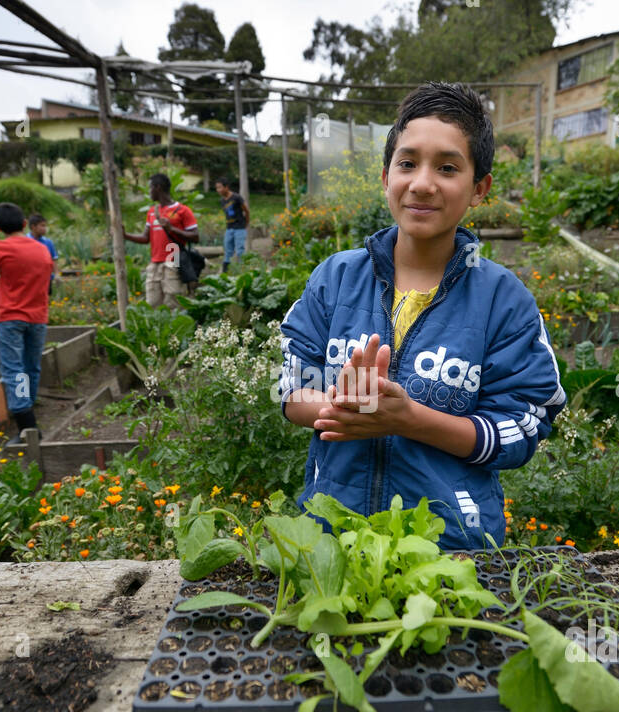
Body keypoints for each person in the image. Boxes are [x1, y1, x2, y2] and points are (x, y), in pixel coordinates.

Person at [277, 81, 566, 551]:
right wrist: (346, 408)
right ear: (385, 176)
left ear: (479, 188)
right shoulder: (335, 278)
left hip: (449, 551)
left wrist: (408, 419)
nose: (423, 183)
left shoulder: (504, 300)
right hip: (333, 541)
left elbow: (525, 425)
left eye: (448, 167)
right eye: (407, 163)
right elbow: (291, 389)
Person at [0, 202, 54, 446]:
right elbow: (47, 278)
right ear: (25, 224)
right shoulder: (42, 249)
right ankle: (28, 414)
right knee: (31, 367)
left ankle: (27, 426)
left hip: (10, 317)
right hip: (38, 317)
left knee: (15, 370)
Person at [123, 173, 198, 309]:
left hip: (173, 259)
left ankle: (176, 329)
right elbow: (145, 238)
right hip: (155, 264)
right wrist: (125, 235)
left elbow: (195, 236)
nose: (149, 191)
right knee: (152, 303)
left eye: (150, 187)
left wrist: (172, 229)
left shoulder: (182, 210)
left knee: (173, 303)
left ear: (158, 188)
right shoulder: (152, 212)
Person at [215, 176, 249, 273]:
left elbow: (246, 211)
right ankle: (225, 273)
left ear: (226, 187)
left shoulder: (236, 197)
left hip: (239, 228)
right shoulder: (222, 200)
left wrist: (245, 224)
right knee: (228, 250)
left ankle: (242, 272)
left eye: (220, 187)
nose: (218, 190)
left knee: (240, 251)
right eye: (217, 188)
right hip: (229, 228)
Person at [27, 212, 58, 295]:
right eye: (42, 225)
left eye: (45, 226)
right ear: (33, 227)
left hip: (46, 280)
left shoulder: (48, 242)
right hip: (30, 280)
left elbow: (54, 259)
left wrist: (56, 274)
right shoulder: (25, 241)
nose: (45, 228)